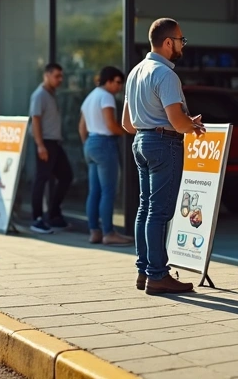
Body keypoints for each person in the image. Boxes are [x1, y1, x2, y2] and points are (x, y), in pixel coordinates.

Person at [121, 18, 204, 295]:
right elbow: (177, 123)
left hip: (141, 142)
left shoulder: (135, 72)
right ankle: (158, 276)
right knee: (158, 212)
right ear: (168, 42)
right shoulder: (166, 74)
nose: (182, 45)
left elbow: (127, 124)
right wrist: (191, 125)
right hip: (163, 144)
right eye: (181, 40)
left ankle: (144, 271)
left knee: (145, 208)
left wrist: (174, 122)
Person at [78, 66, 133, 246]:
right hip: (104, 144)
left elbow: (81, 127)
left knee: (94, 191)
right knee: (108, 191)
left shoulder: (89, 97)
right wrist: (129, 131)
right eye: (117, 82)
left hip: (91, 143)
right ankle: (108, 233)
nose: (119, 87)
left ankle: (94, 231)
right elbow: (111, 125)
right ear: (108, 81)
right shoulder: (106, 97)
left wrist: (88, 144)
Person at [28, 63, 72, 235]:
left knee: (66, 176)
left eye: (61, 76)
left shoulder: (52, 94)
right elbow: (35, 120)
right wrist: (40, 145)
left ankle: (53, 214)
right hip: (45, 142)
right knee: (42, 178)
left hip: (55, 142)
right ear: (46, 75)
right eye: (56, 76)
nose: (60, 79)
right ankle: (37, 218)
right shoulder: (39, 95)